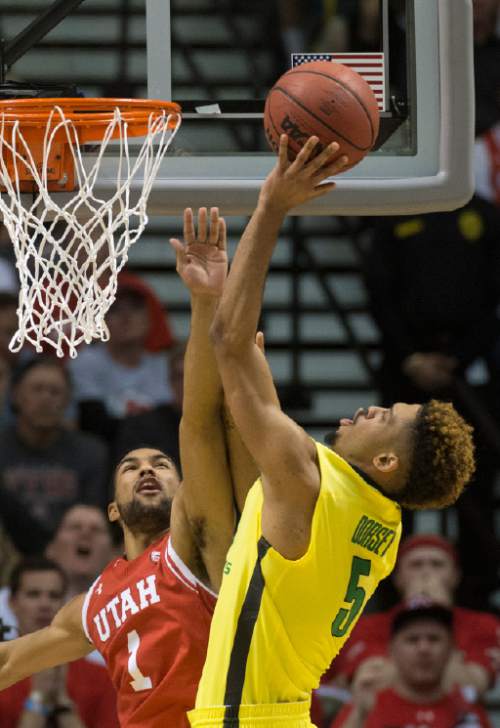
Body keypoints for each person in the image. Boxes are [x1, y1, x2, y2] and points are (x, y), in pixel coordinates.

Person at [188, 135, 475, 728]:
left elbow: (230, 344)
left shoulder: (308, 481)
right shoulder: (381, 528)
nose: (371, 411)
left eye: (385, 419)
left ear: (390, 464)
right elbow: (241, 358)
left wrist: (271, 205)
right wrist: (226, 309)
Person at [0, 207, 255, 727]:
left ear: (185, 491)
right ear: (112, 509)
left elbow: (201, 424)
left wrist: (206, 302)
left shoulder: (199, 544)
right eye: (132, 466)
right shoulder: (92, 602)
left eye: (163, 464)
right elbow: (9, 661)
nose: (148, 469)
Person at [329, 534, 500, 699]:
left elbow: (471, 688)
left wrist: (438, 611)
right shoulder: (366, 626)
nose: (426, 573)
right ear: (398, 578)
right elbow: (371, 686)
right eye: (416, 565)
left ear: (455, 576)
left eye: (437, 565)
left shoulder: (483, 624)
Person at [0, 357, 109, 553]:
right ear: (15, 395)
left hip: (69, 554)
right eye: (37, 389)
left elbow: (91, 515)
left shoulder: (91, 452)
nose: (46, 398)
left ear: (67, 400)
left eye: (55, 392)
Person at [330, 602, 493, 728]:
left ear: (451, 649)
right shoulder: (366, 703)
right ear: (391, 650)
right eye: (412, 639)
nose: (424, 648)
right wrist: (359, 713)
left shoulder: (467, 708)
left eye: (434, 639)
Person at [0, 556, 119, 727]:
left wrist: (63, 705)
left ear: (65, 604)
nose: (44, 604)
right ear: (12, 602)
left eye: (54, 596)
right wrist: (38, 699)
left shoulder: (101, 679)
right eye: (33, 595)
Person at [70, 271, 175, 443]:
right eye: (114, 309)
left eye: (135, 307)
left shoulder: (163, 365)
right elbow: (92, 427)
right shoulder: (85, 363)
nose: (126, 317)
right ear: (100, 321)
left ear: (150, 318)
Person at [0, 504, 115, 641]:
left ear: (113, 553)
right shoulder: (2, 605)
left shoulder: (128, 608)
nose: (85, 533)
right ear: (51, 548)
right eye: (75, 527)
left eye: (96, 530)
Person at [113, 342, 186, 471]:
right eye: (178, 377)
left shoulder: (227, 424)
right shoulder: (141, 428)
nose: (185, 384)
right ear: (169, 381)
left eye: (193, 376)